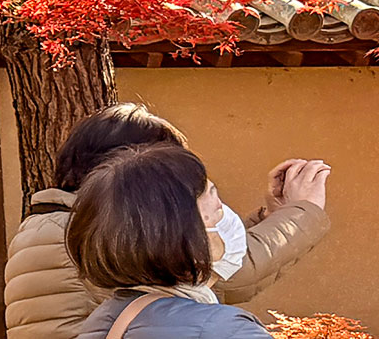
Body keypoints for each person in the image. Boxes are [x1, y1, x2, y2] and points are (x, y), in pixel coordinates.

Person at [4, 104, 332, 339]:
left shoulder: (54, 221)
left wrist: (268, 217)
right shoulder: (99, 228)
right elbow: (221, 275)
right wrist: (300, 211)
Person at [67, 143, 272, 338]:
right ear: (182, 231)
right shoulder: (223, 330)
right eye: (217, 208)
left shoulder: (104, 321)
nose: (227, 217)